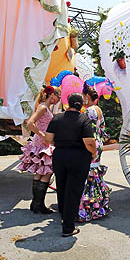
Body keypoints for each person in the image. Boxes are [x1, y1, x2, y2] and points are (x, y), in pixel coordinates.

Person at [46, 93, 97, 237]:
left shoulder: (57, 118)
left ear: (68, 103)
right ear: (80, 105)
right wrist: (93, 153)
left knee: (61, 187)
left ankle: (63, 214)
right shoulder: (83, 119)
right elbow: (89, 142)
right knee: (73, 191)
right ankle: (68, 227)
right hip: (78, 157)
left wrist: (61, 144)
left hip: (60, 155)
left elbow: (49, 138)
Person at [17, 85, 61, 214]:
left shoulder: (44, 107)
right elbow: (30, 123)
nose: (58, 100)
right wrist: (42, 135)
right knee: (47, 171)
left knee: (40, 171)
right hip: (43, 142)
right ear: (52, 95)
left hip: (41, 141)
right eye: (58, 96)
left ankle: (36, 203)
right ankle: (38, 204)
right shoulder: (42, 107)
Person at [77, 84, 112, 222]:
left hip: (90, 143)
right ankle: (99, 204)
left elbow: (87, 130)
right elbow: (102, 129)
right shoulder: (98, 109)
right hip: (99, 143)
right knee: (94, 172)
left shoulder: (89, 111)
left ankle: (87, 207)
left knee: (88, 173)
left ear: (86, 96)